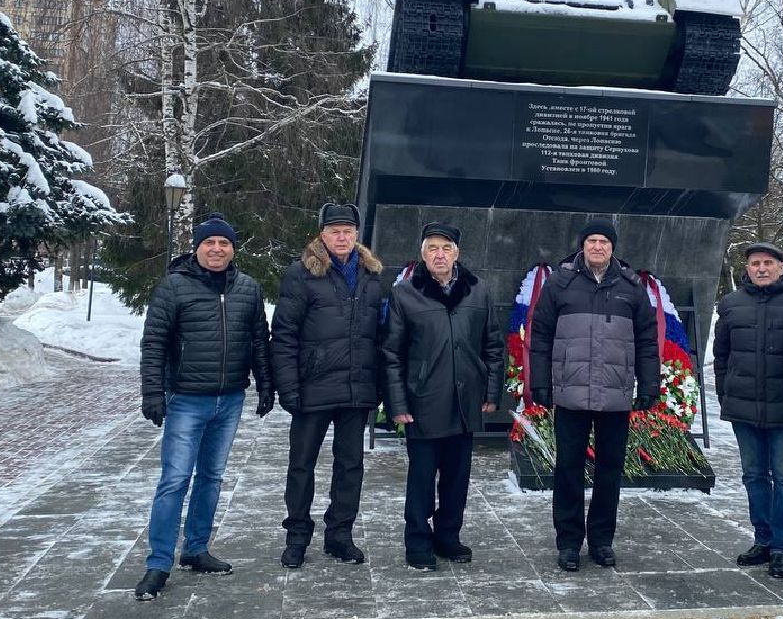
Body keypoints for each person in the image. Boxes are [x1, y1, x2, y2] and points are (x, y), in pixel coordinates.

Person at [135, 213, 273, 601]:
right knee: (175, 480)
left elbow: (259, 341)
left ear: (233, 249)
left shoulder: (247, 288)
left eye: (224, 243)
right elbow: (154, 343)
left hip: (229, 399)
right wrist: (152, 393)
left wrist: (266, 384)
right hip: (186, 399)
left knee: (211, 477)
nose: (216, 249)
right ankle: (158, 562)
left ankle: (196, 549)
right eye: (209, 242)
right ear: (197, 248)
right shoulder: (173, 287)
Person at [529, 218, 659, 571]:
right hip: (571, 393)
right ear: (582, 246)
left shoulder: (631, 287)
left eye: (604, 241)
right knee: (568, 469)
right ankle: (569, 542)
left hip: (615, 395)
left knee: (609, 471)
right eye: (592, 241)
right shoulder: (560, 283)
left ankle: (602, 540)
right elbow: (540, 335)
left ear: (613, 247)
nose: (598, 247)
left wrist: (650, 384)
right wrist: (540, 382)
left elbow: (647, 340)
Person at [381, 223, 504, 570]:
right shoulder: (406, 293)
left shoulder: (478, 291)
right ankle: (418, 541)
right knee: (421, 479)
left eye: (446, 248)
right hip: (423, 402)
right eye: (432, 248)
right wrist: (397, 404)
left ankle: (448, 536)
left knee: (457, 478)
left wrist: (491, 392)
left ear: (457, 254)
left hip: (465, 402)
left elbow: (493, 346)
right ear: (422, 254)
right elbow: (391, 353)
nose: (439, 254)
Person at [270, 202, 385, 568]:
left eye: (347, 231)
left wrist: (379, 385)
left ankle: (340, 535)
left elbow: (381, 335)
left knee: (350, 466)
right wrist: (288, 388)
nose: (341, 237)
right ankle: (297, 537)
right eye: (334, 231)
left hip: (356, 389)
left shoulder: (371, 274)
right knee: (301, 465)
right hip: (312, 389)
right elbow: (284, 334)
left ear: (357, 234)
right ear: (322, 234)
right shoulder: (301, 273)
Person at [713, 241, 783, 579]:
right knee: (753, 476)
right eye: (755, 263)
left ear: (782, 266)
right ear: (747, 269)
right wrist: (725, 392)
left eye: (768, 262)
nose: (761, 268)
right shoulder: (732, 304)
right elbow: (721, 355)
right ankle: (763, 539)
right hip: (744, 407)